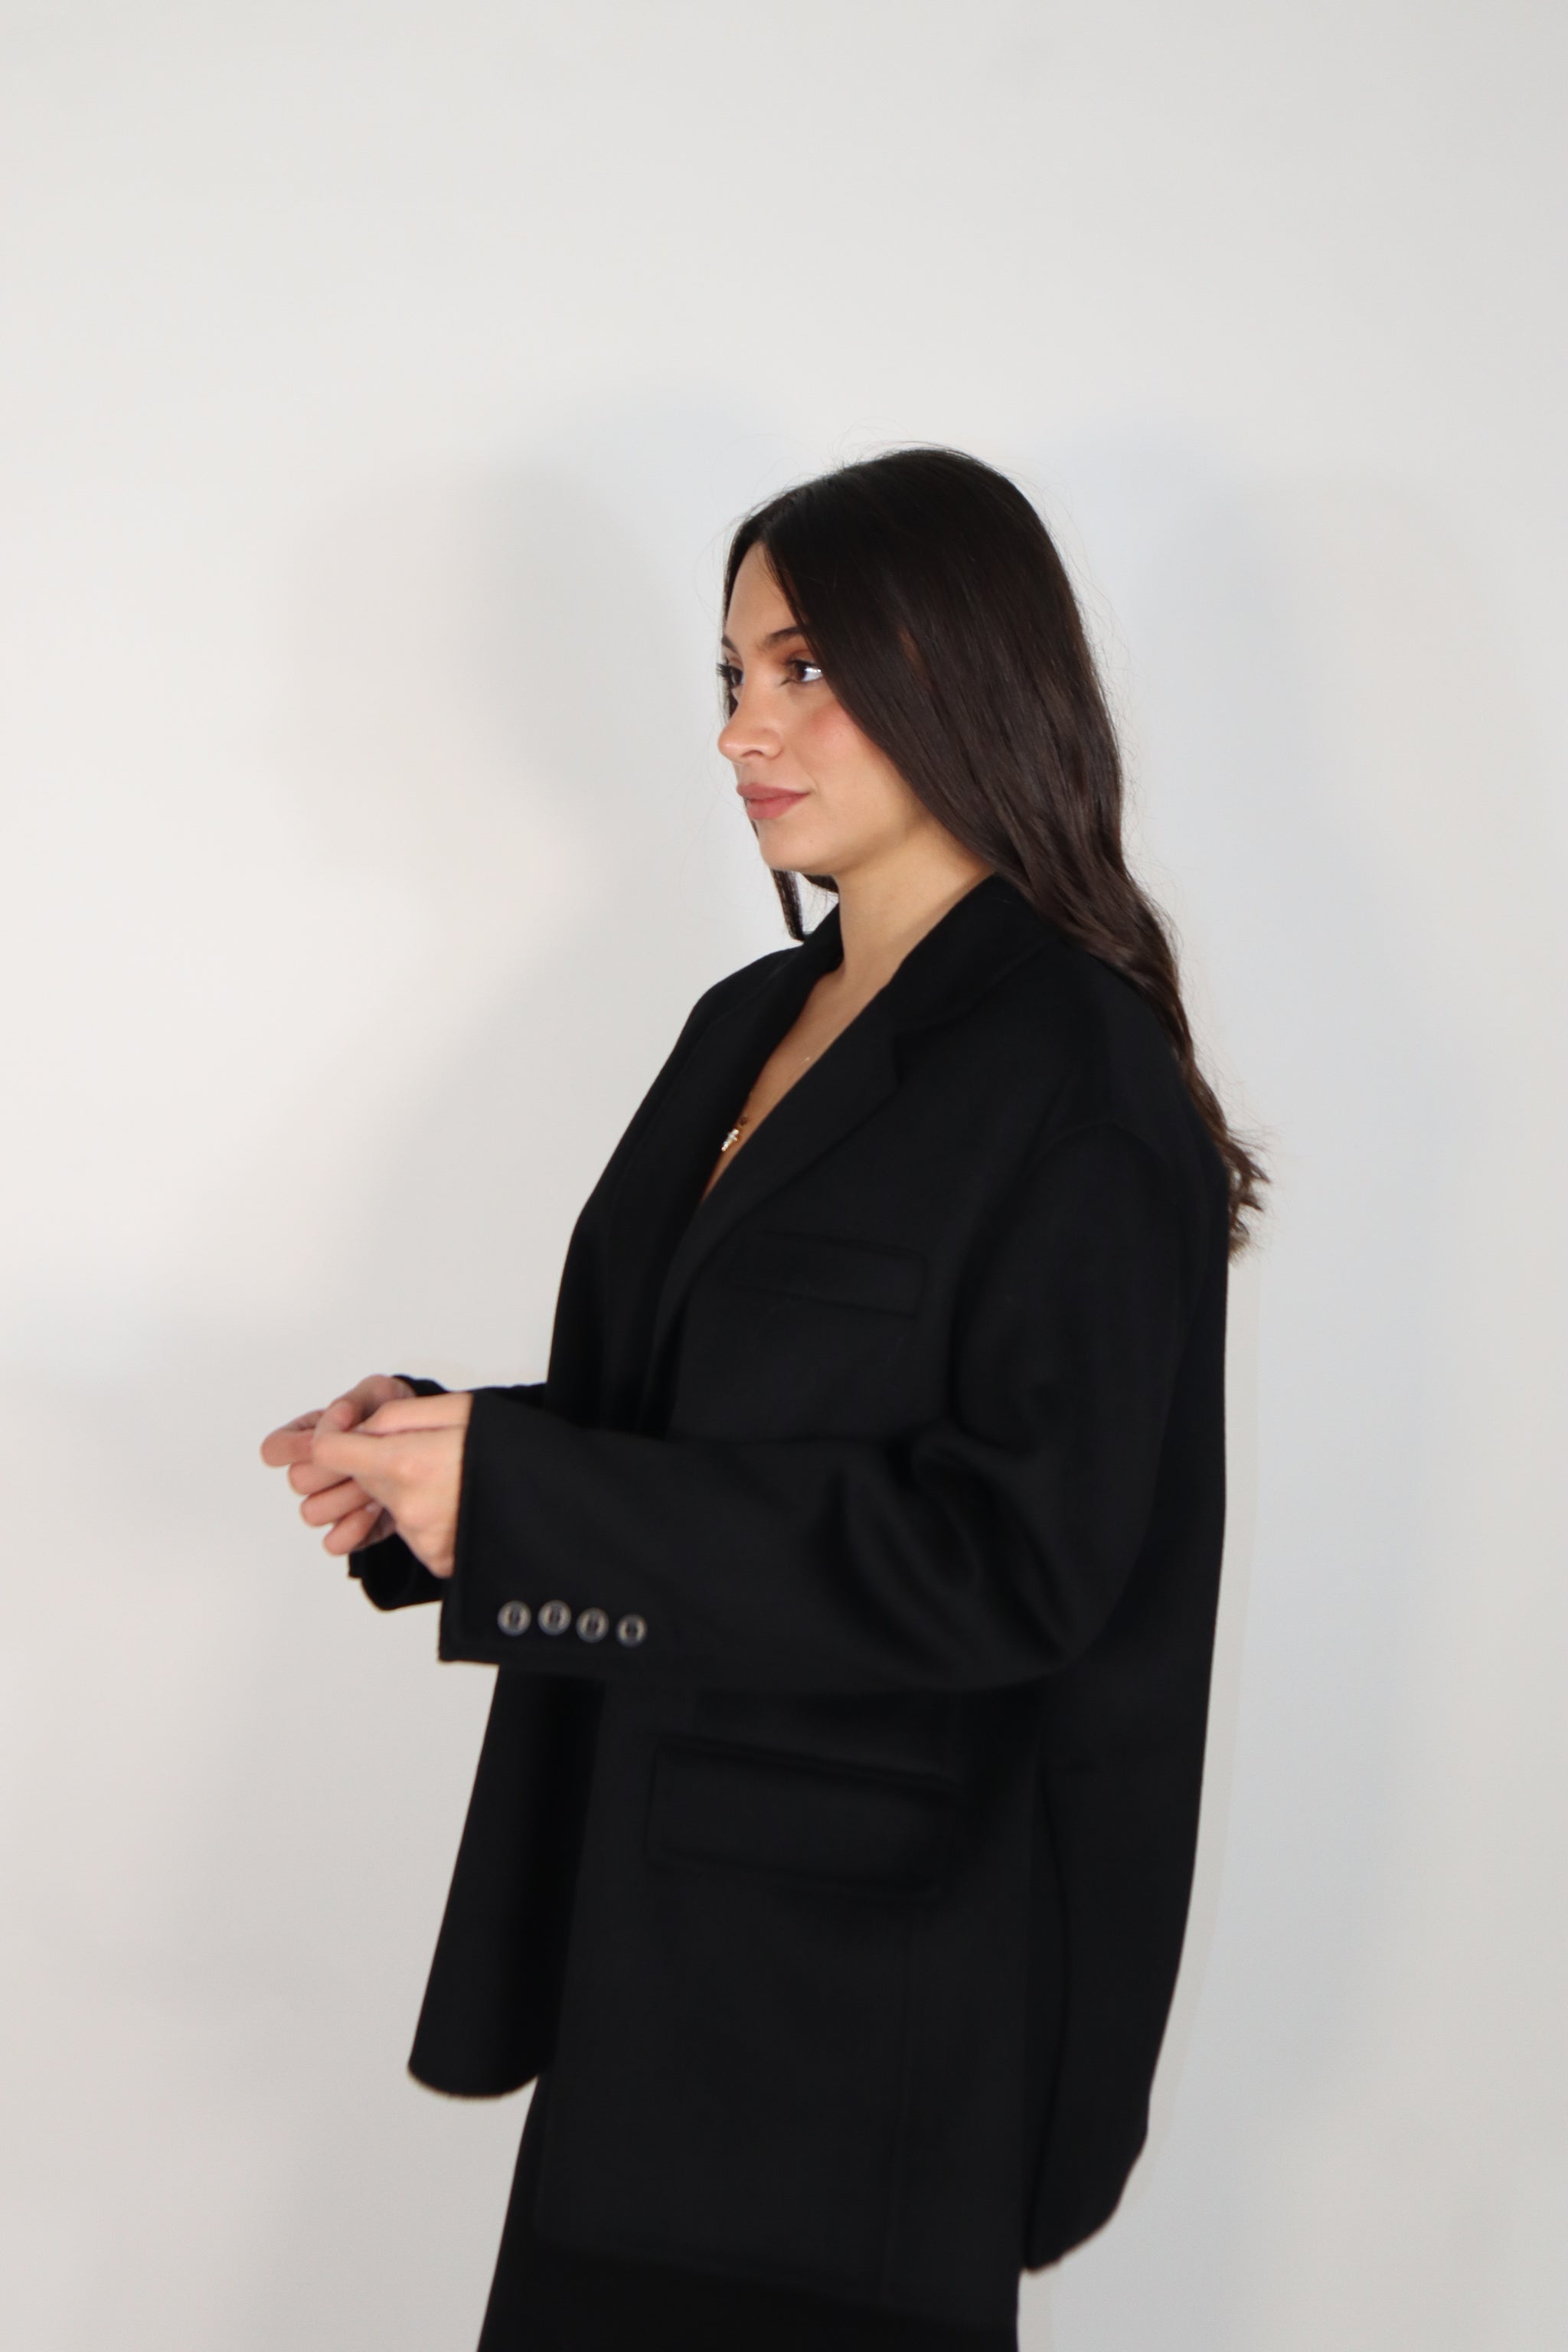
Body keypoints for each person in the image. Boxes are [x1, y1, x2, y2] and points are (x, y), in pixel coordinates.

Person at [262, 447, 1263, 2350]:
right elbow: (707, 1418)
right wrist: (447, 1463)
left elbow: (1012, 1563)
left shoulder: (1075, 1076)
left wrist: (533, 1499)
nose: (743, 730)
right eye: (730, 675)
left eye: (805, 669)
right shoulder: (747, 1018)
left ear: (965, 668)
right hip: (637, 1959)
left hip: (862, 2021)